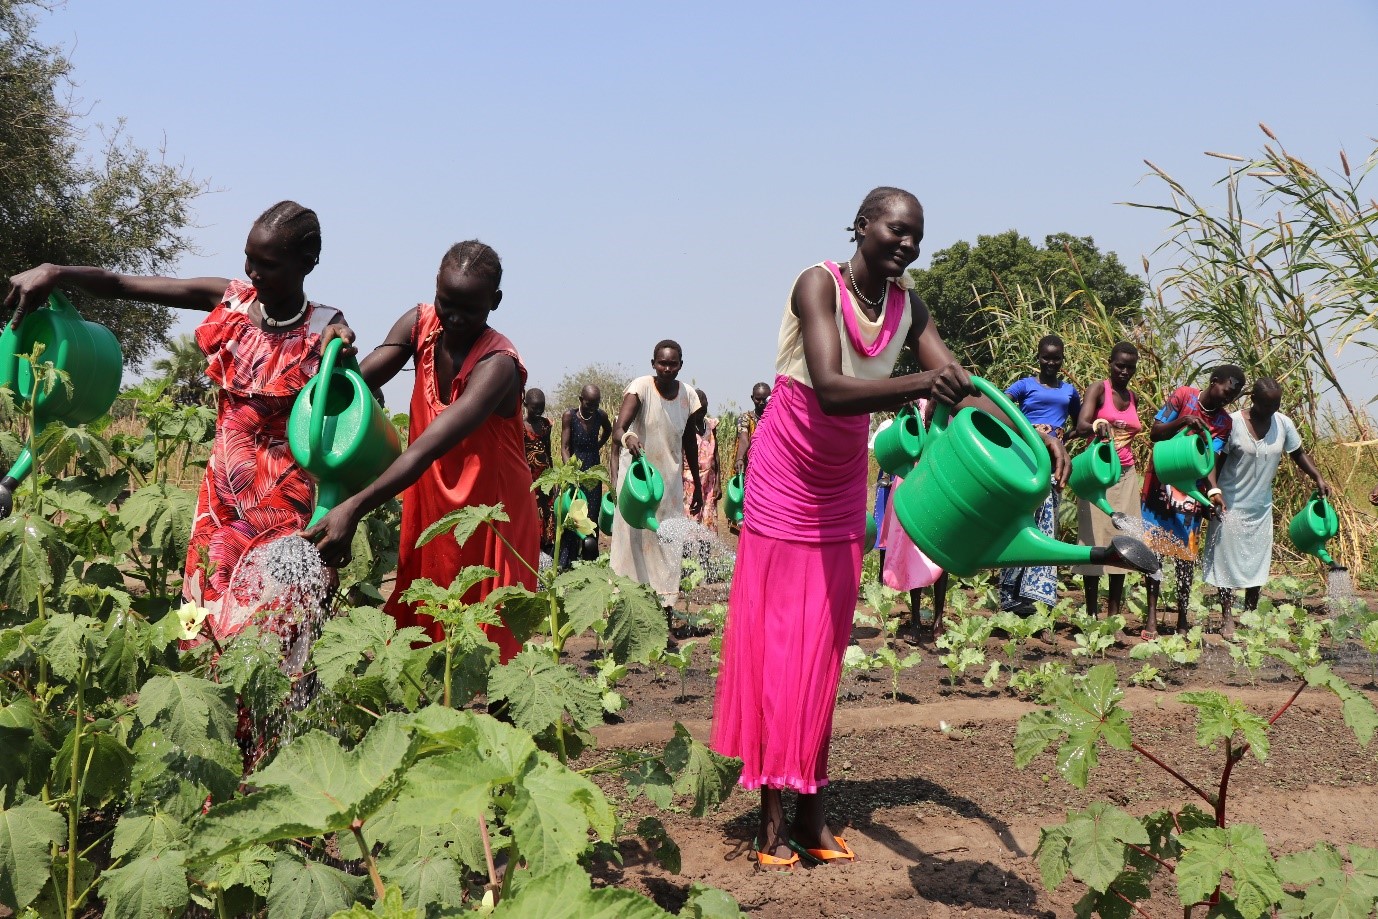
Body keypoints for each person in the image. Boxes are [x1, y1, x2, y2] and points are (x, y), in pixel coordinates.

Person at [710, 187, 1068, 870]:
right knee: (778, 640)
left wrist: (1036, 439)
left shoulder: (908, 305)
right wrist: (920, 384)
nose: (906, 244)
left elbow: (955, 380)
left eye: (916, 235)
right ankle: (773, 817)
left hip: (843, 478)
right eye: (896, 230)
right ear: (864, 225)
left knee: (823, 644)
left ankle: (814, 808)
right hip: (787, 470)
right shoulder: (819, 284)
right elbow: (830, 384)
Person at [4, 202, 353, 640]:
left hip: (279, 507)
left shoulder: (326, 327)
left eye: (268, 263)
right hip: (218, 501)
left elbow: (350, 427)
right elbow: (120, 284)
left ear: (308, 261)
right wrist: (58, 272)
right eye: (249, 258)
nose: (254, 271)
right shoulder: (230, 300)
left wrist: (342, 354)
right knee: (204, 626)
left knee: (272, 636)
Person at [304, 241, 538, 662]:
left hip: (491, 512)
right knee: (427, 627)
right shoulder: (419, 325)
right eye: (446, 303)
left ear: (495, 302)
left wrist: (354, 508)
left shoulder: (498, 363)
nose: (454, 318)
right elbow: (356, 382)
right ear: (434, 288)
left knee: (494, 642)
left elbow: (425, 449)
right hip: (432, 502)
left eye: (470, 308)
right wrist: (335, 352)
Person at [1202, 378, 1328, 636]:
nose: (1272, 410)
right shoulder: (1234, 423)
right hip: (1229, 504)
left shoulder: (1283, 424)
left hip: (1260, 507)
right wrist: (1212, 491)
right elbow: (1215, 459)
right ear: (1254, 400)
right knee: (1226, 560)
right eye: (1267, 405)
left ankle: (1249, 614)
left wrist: (1317, 476)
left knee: (1256, 561)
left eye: (1277, 404)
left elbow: (1298, 453)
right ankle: (1227, 617)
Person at [1140, 365, 1245, 637]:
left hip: (1191, 492)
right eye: (1227, 390)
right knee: (1154, 552)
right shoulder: (1184, 397)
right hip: (1160, 485)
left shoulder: (1224, 422)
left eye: (1234, 396)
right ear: (1213, 382)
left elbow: (1210, 460)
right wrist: (1184, 421)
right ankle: (1151, 618)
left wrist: (1213, 492)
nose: (1228, 398)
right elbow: (1155, 432)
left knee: (1186, 556)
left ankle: (1182, 618)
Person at [609, 341, 704, 609]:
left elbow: (688, 443)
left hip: (669, 484)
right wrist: (628, 438)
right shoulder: (641, 387)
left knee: (667, 549)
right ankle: (627, 611)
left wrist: (696, 483)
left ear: (681, 365)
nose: (667, 369)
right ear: (653, 364)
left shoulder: (688, 395)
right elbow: (618, 429)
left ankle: (665, 616)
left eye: (673, 364)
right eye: (662, 363)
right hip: (638, 483)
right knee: (632, 545)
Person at [998, 335, 1081, 615]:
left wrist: (1060, 439)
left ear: (1062, 360)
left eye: (1056, 358)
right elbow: (1000, 408)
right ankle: (1010, 595)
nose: (1050, 363)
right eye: (1046, 357)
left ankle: (1036, 596)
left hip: (1052, 465)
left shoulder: (1069, 392)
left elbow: (1080, 424)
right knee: (1019, 522)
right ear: (1038, 357)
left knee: (1047, 525)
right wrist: (1035, 432)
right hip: (1025, 458)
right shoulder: (1024, 385)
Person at [1071, 342, 1145, 628]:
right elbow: (1080, 425)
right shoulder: (1098, 390)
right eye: (1119, 365)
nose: (1124, 371)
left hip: (1126, 475)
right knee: (1093, 540)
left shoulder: (1132, 396)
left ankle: (1114, 614)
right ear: (1110, 363)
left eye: (1130, 367)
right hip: (1097, 476)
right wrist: (1096, 424)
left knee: (1124, 540)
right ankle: (1091, 613)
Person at [559, 384, 612, 568]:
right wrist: (571, 472)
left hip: (593, 471)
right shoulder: (569, 416)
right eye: (589, 404)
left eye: (596, 404)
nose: (592, 408)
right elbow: (565, 448)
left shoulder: (600, 416)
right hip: (575, 470)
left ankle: (590, 562)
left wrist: (597, 446)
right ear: (581, 400)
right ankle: (568, 562)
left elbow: (608, 431)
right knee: (573, 516)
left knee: (591, 516)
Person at [523, 388, 555, 555]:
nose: (538, 411)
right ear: (525, 404)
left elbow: (548, 451)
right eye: (534, 408)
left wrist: (553, 475)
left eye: (541, 408)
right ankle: (532, 546)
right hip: (529, 477)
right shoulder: (520, 427)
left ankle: (547, 546)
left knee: (548, 508)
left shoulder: (545, 425)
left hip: (545, 476)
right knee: (534, 511)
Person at [683, 388, 720, 530]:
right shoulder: (685, 427)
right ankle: (687, 552)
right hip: (689, 480)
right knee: (690, 518)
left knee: (708, 518)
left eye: (704, 409)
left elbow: (716, 454)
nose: (701, 413)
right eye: (698, 410)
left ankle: (705, 552)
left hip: (709, 481)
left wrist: (718, 483)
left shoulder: (711, 425)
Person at [734, 382, 772, 478]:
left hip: (771, 466)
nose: (761, 403)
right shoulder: (746, 418)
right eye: (758, 399)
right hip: (751, 468)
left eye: (765, 399)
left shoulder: (775, 418)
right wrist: (739, 459)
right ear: (752, 398)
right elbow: (744, 439)